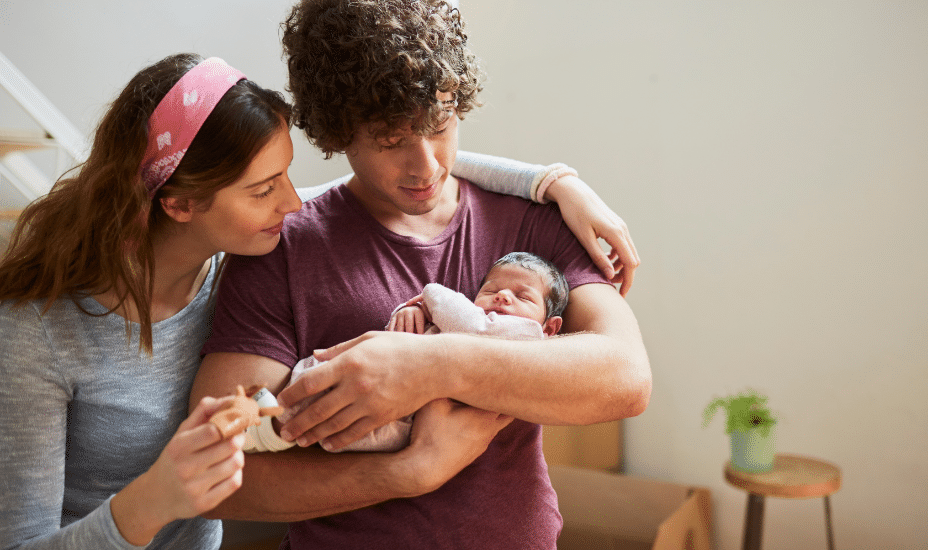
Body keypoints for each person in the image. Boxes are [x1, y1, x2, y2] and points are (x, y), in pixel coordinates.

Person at [0, 51, 635, 550]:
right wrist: (160, 499)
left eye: (286, 174)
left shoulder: (237, 249)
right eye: (264, 188)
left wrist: (554, 182)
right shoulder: (37, 334)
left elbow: (383, 177)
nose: (294, 203)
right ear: (180, 204)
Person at [191, 1, 652, 548]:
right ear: (339, 132)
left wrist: (428, 365)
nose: (427, 165)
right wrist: (409, 472)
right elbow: (220, 473)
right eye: (390, 140)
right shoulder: (280, 248)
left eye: (441, 125)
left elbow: (625, 378)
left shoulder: (531, 224)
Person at [245, 251, 569, 454]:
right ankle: (266, 421)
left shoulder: (526, 336)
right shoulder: (471, 319)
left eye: (522, 296)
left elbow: (473, 327)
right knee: (328, 383)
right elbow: (436, 327)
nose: (502, 298)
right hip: (397, 398)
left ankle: (268, 431)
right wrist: (410, 310)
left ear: (550, 328)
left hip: (412, 423)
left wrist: (430, 295)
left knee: (335, 425)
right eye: (491, 290)